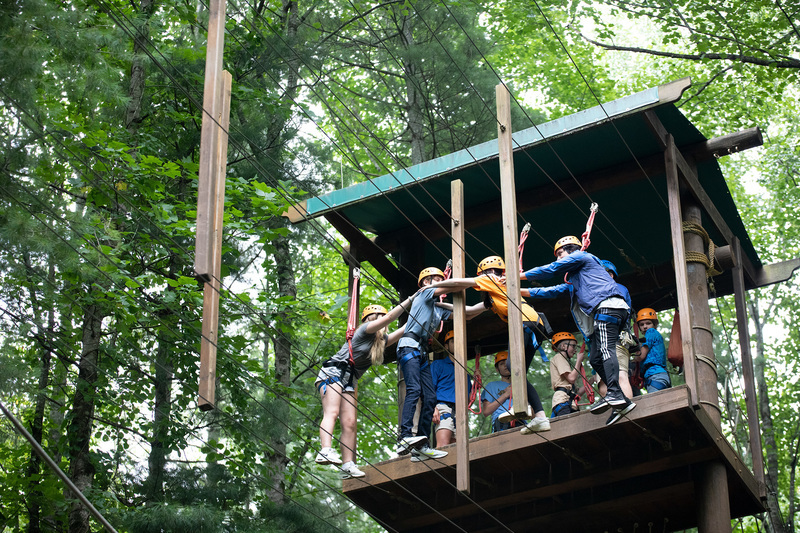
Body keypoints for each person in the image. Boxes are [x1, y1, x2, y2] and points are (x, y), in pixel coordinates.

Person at [522, 236, 635, 426]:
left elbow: (551, 269)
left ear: (571, 250)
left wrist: (517, 277)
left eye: (560, 253)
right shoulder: (577, 279)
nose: (559, 258)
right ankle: (622, 401)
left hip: (607, 306)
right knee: (596, 358)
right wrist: (516, 291)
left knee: (606, 350)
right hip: (606, 309)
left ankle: (616, 394)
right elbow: (551, 291)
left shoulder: (582, 256)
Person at [316, 297, 414, 479]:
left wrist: (421, 310)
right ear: (373, 319)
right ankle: (325, 450)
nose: (384, 323)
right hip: (334, 372)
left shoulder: (381, 341)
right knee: (332, 412)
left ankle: (348, 464)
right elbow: (391, 317)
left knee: (350, 422)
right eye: (380, 319)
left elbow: (404, 329)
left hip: (349, 379)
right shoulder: (364, 330)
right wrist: (412, 299)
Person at [396, 267, 487, 461]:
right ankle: (404, 436)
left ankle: (421, 446)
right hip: (409, 346)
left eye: (441, 279)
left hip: (421, 352)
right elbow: (453, 285)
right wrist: (480, 280)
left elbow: (468, 313)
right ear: (425, 282)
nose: (440, 282)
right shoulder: (423, 294)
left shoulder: (438, 308)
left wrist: (488, 304)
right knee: (414, 389)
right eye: (436, 279)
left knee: (430, 398)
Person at [481, 351, 550, 434]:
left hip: (522, 422)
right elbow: (486, 411)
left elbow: (533, 416)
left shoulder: (523, 386)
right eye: (502, 364)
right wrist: (506, 394)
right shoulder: (492, 386)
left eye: (507, 362)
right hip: (501, 422)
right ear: (497, 369)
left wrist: (529, 407)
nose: (505, 365)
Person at [597, 260, 636, 406]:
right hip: (617, 338)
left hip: (611, 338)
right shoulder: (621, 290)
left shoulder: (612, 289)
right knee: (615, 377)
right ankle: (621, 409)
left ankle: (622, 409)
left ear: (610, 275)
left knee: (614, 377)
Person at [430, 330, 470, 448]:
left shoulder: (465, 372)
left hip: (460, 411)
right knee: (443, 445)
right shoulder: (438, 365)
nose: (457, 343)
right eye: (453, 341)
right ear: (446, 346)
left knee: (460, 449)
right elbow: (429, 389)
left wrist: (476, 383)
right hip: (443, 407)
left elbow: (468, 399)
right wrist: (433, 408)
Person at [549, 332, 586, 418]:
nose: (575, 350)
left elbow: (578, 392)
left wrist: (592, 380)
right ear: (563, 346)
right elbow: (571, 378)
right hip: (563, 401)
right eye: (573, 346)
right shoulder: (559, 357)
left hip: (570, 403)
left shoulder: (565, 362)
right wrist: (578, 361)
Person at [634, 308, 672, 393]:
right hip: (661, 376)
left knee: (655, 402)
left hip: (655, 376)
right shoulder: (655, 337)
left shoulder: (651, 332)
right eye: (642, 324)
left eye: (648, 323)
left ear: (654, 324)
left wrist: (632, 359)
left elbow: (640, 356)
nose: (645, 326)